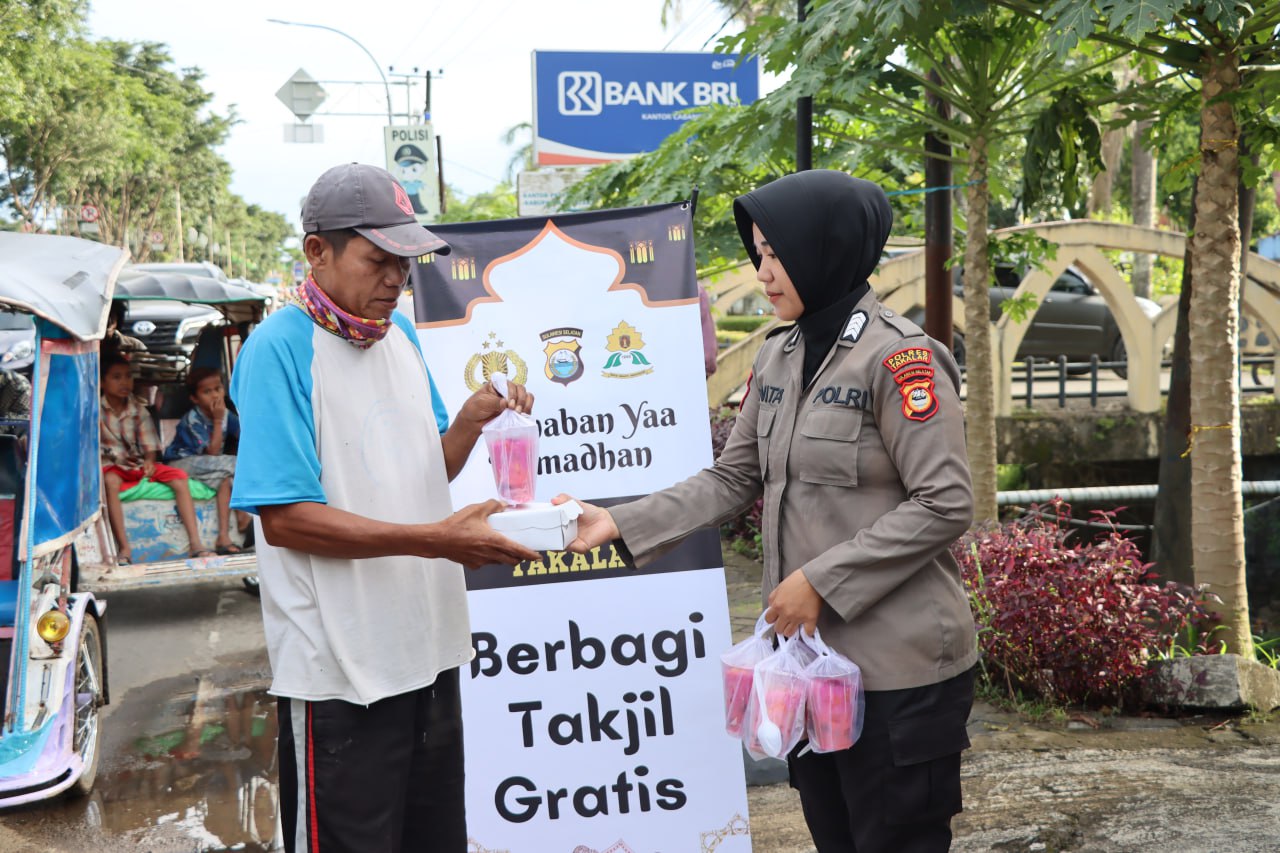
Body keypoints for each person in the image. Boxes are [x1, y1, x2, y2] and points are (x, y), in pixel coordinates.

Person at [557, 170, 977, 852]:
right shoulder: (779, 356)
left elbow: (947, 501)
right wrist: (618, 520)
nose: (763, 274)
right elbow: (735, 476)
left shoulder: (902, 359)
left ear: (826, 248)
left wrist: (822, 581)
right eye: (759, 255)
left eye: (777, 255)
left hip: (901, 671)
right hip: (807, 671)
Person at [228, 162, 541, 853]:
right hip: (340, 674)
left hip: (425, 655)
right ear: (318, 250)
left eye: (405, 263)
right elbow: (286, 518)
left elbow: (429, 465)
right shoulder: (279, 348)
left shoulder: (399, 340)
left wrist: (469, 419)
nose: (395, 280)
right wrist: (437, 540)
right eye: (378, 260)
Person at [100, 351, 214, 563]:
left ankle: (196, 544)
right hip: (110, 465)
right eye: (116, 377)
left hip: (136, 463)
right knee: (110, 481)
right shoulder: (95, 411)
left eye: (127, 376)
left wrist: (151, 462)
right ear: (102, 383)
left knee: (179, 477)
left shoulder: (138, 410)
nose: (124, 382)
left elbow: (149, 447)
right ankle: (124, 548)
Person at [164, 367, 250, 554]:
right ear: (195, 398)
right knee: (236, 464)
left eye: (217, 389)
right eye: (207, 392)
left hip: (208, 466)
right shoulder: (193, 419)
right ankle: (244, 518)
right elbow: (211, 452)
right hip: (182, 462)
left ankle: (223, 538)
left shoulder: (226, 414)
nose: (214, 395)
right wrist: (218, 421)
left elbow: (246, 435)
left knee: (225, 481)